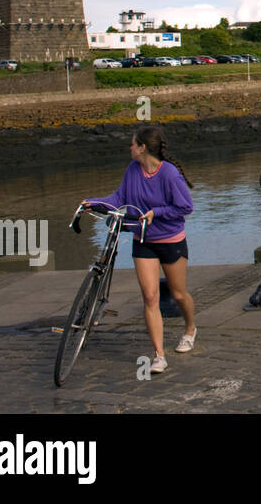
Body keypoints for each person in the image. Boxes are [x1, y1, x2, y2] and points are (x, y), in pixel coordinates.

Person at [83, 125, 196, 375]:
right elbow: (119, 197)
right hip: (142, 239)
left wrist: (157, 212)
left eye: (132, 144)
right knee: (150, 297)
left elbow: (185, 206)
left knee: (178, 295)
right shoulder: (132, 170)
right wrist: (94, 203)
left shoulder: (169, 174)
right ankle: (159, 355)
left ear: (142, 147)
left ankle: (190, 329)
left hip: (170, 240)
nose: (130, 147)